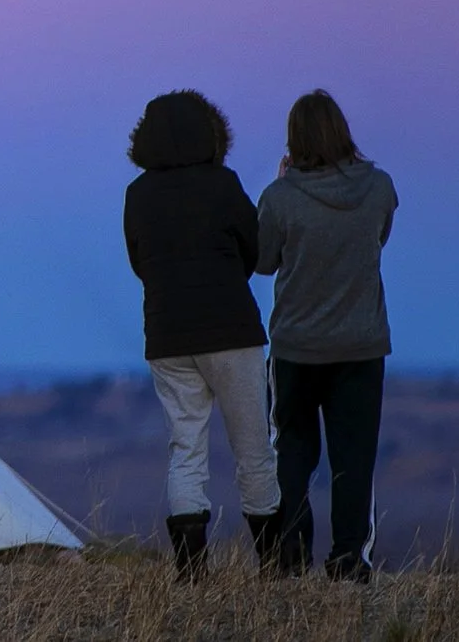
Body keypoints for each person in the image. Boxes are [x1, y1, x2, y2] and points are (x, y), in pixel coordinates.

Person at [124, 90, 280, 578]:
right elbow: (256, 254)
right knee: (254, 449)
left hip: (168, 338)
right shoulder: (222, 184)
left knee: (185, 451)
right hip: (232, 332)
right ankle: (273, 568)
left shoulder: (139, 194)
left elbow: (139, 265)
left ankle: (192, 572)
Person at [259, 89, 397, 581]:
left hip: (295, 348)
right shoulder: (379, 188)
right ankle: (348, 560)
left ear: (293, 141)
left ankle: (291, 555)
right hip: (360, 346)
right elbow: (377, 239)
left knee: (292, 452)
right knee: (353, 458)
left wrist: (282, 185)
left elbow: (262, 261)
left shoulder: (280, 198)